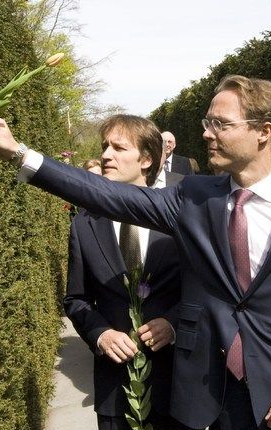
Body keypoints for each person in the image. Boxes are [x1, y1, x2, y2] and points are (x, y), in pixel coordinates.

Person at [0, 74, 271, 430]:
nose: (207, 133)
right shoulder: (192, 198)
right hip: (209, 402)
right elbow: (106, 195)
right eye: (207, 122)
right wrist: (19, 153)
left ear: (263, 131)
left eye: (220, 124)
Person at [65, 115, 185, 430]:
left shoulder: (180, 219)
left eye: (118, 148)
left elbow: (204, 290)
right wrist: (100, 333)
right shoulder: (84, 224)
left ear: (146, 159)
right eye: (105, 146)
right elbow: (76, 299)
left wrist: (172, 324)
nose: (106, 155)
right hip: (114, 391)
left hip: (177, 387)